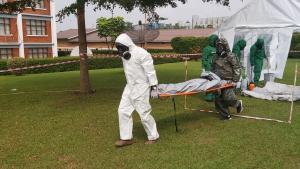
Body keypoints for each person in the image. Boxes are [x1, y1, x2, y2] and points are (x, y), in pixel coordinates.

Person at [114, 33, 159, 147]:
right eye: (118, 48)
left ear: (127, 44)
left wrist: (154, 87)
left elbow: (150, 71)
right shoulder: (125, 55)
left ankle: (153, 136)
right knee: (123, 110)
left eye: (121, 48)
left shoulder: (142, 53)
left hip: (141, 86)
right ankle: (126, 138)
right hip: (129, 86)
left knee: (144, 112)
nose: (120, 51)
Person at [211, 38, 244, 120]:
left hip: (229, 80)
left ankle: (238, 104)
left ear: (225, 46)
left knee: (228, 97)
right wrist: (212, 78)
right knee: (218, 98)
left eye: (221, 45)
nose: (219, 47)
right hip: (217, 80)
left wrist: (235, 80)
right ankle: (225, 116)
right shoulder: (215, 56)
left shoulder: (231, 56)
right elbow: (213, 67)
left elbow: (237, 68)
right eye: (218, 45)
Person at [202, 34, 219, 101]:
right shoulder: (206, 49)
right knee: (209, 81)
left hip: (216, 68)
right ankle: (208, 95)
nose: (216, 42)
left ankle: (213, 94)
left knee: (215, 81)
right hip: (208, 68)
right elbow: (204, 59)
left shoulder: (217, 48)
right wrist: (206, 68)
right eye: (215, 41)